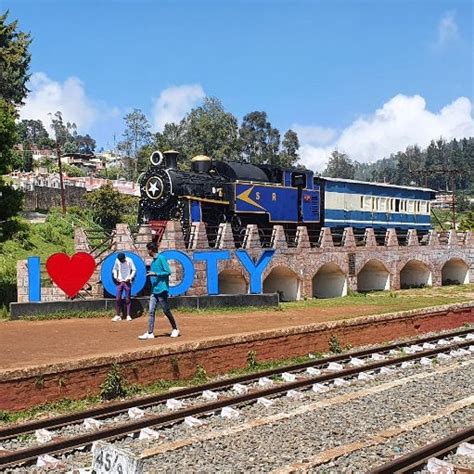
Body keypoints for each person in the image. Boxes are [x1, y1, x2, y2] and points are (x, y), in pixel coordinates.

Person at [139, 242, 180, 339]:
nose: (147, 252)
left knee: (166, 310)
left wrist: (155, 273)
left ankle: (175, 329)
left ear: (151, 250)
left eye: (147, 250)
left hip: (162, 289)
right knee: (151, 311)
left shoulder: (161, 258)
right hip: (154, 290)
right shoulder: (153, 261)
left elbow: (168, 272)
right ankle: (150, 333)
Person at [112, 252, 136, 321]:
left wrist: (130, 277)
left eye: (122, 260)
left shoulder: (129, 260)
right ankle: (117, 315)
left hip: (127, 281)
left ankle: (128, 315)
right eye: (120, 260)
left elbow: (134, 269)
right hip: (120, 281)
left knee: (128, 298)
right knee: (117, 298)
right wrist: (115, 277)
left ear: (124, 258)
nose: (121, 261)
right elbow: (115, 269)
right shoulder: (117, 260)